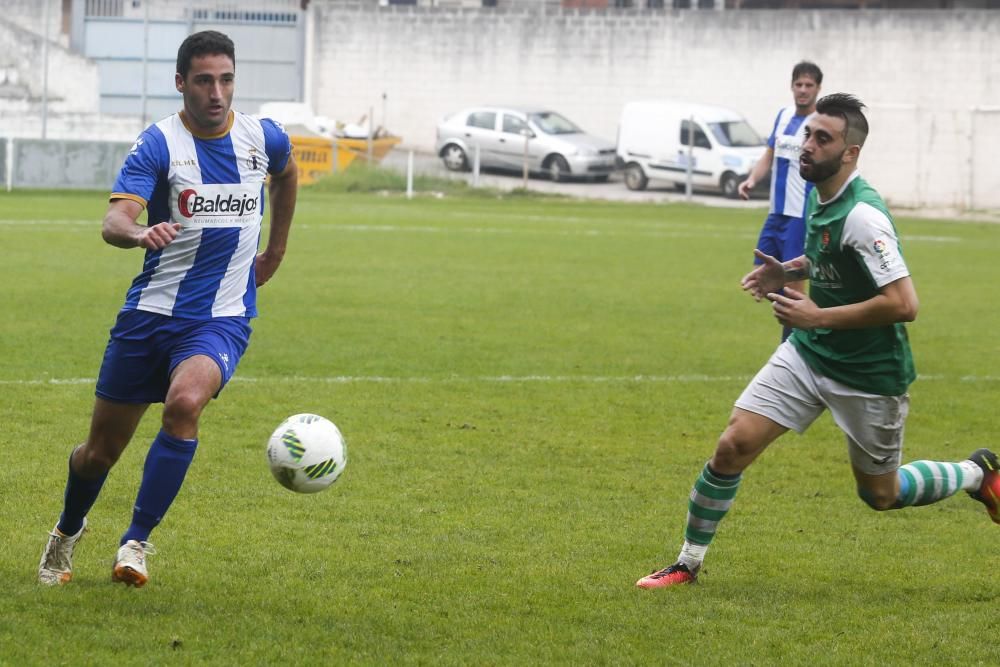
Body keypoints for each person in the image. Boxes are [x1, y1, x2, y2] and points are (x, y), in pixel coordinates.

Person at [636, 93, 999, 589]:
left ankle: (977, 474)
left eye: (821, 138)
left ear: (850, 152)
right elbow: (825, 256)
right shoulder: (817, 191)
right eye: (807, 134)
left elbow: (904, 303)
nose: (807, 145)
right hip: (809, 354)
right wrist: (785, 272)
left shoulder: (864, 216)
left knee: (881, 495)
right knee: (732, 445)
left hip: (868, 373)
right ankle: (687, 564)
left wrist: (817, 315)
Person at [37, 30, 298, 588]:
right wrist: (137, 234)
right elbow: (113, 222)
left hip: (222, 318)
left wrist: (275, 248)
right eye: (204, 80)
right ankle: (66, 530)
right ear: (181, 83)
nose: (217, 93)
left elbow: (288, 172)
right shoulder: (158, 144)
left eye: (226, 79)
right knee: (98, 454)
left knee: (184, 404)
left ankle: (135, 543)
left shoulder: (261, 138)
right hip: (149, 317)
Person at [738, 61, 823, 341]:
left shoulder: (820, 124)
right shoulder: (784, 116)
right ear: (791, 86)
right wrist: (752, 179)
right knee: (761, 277)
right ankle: (801, 337)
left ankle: (795, 347)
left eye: (809, 85)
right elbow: (769, 155)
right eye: (798, 84)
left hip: (800, 215)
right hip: (776, 212)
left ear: (818, 89)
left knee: (794, 288)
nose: (803, 90)